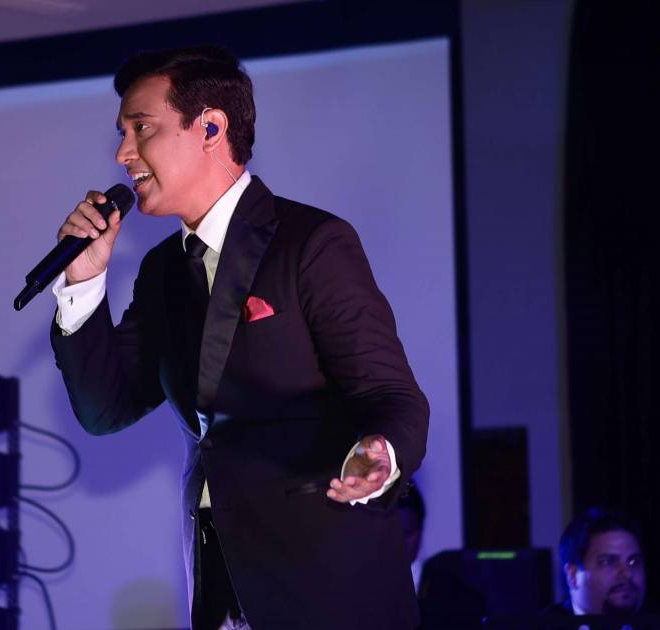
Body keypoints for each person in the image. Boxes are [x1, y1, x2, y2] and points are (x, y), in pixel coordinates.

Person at [49, 45, 429, 629]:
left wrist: (380, 450)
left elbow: (391, 394)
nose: (124, 153)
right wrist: (82, 282)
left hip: (325, 588)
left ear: (210, 128)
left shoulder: (311, 243)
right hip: (219, 585)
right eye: (122, 134)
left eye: (141, 128)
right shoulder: (161, 272)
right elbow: (105, 410)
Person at [544, 507, 647, 617]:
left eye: (633, 562)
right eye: (607, 562)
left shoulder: (654, 621)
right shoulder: (544, 624)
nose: (627, 573)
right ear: (572, 575)